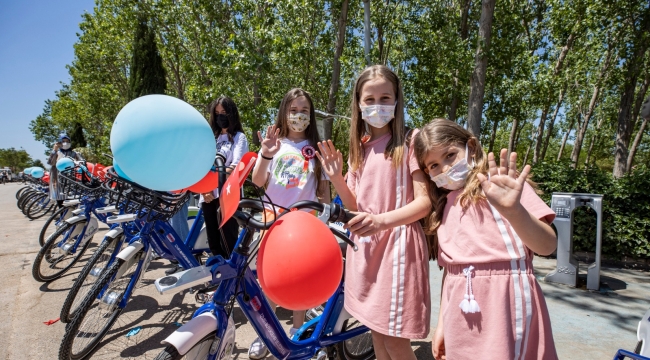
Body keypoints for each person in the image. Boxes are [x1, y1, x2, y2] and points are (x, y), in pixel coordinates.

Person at [413, 119, 558, 360]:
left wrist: (515, 211)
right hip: (460, 313)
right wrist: (442, 325)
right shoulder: (443, 205)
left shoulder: (502, 185)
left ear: (471, 146)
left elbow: (547, 245)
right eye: (434, 165)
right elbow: (452, 272)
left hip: (506, 306)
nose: (446, 169)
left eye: (450, 155)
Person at [316, 65, 431, 360]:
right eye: (369, 99)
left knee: (395, 342)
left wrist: (380, 221)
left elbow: (424, 203)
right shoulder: (361, 148)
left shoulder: (410, 141)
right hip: (366, 249)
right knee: (378, 337)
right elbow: (355, 206)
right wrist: (337, 178)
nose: (377, 105)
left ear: (397, 100)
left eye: (385, 97)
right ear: (358, 103)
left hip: (397, 251)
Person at [249, 88, 330, 359]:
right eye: (293, 110)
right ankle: (267, 333)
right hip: (274, 223)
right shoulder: (275, 144)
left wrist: (325, 221)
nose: (298, 115)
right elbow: (258, 181)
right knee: (270, 282)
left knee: (301, 281)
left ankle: (298, 331)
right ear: (284, 111)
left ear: (311, 114)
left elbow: (323, 191)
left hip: (305, 224)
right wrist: (265, 153)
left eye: (304, 110)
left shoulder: (316, 149)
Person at [200, 96, 249, 259]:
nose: (221, 116)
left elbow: (236, 165)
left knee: (229, 241)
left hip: (229, 196)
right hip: (208, 196)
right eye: (217, 112)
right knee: (214, 242)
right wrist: (205, 190)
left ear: (232, 114)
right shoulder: (210, 138)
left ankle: (235, 279)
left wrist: (217, 177)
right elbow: (201, 166)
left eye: (224, 112)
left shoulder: (239, 138)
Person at [48, 133, 83, 207]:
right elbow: (51, 162)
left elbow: (82, 162)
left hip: (71, 179)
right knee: (60, 199)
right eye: (63, 141)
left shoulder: (74, 153)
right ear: (59, 142)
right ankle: (62, 215)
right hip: (58, 179)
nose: (65, 143)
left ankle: (72, 216)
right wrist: (54, 150)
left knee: (72, 200)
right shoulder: (56, 153)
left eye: (67, 141)